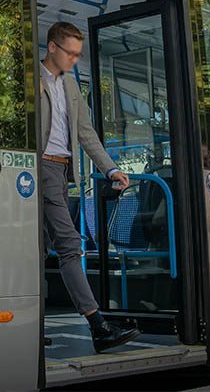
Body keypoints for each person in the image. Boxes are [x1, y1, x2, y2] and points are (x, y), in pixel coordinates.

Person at [38, 21, 139, 352]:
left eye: (79, 55)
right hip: (39, 167)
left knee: (38, 250)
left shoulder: (70, 86)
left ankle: (33, 328)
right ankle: (98, 326)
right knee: (69, 245)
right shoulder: (31, 78)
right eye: (71, 53)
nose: (75, 60)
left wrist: (110, 169)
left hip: (61, 171)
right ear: (52, 47)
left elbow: (85, 132)